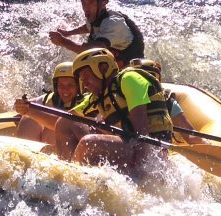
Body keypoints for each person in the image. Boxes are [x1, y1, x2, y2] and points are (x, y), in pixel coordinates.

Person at [16, 47, 171, 179]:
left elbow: (141, 133)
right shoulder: (97, 97)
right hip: (128, 146)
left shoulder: (129, 79)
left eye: (86, 77)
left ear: (103, 69)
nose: (85, 84)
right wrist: (30, 111)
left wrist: (141, 175)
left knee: (89, 143)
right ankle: (67, 173)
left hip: (151, 151)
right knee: (65, 122)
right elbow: (59, 122)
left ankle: (74, 179)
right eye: (82, 80)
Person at [49, 0, 145, 65]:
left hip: (130, 67)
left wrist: (63, 42)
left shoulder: (113, 23)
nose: (86, 7)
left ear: (104, 2)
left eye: (91, 2)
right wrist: (68, 33)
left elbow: (93, 51)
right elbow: (87, 27)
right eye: (83, 3)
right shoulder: (96, 18)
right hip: (113, 67)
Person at [15, 61, 90, 145]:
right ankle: (23, 154)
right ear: (55, 86)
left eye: (70, 85)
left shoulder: (88, 102)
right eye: (61, 85)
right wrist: (21, 106)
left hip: (69, 150)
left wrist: (29, 111)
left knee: (46, 126)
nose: (65, 89)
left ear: (79, 86)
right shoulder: (47, 99)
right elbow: (30, 104)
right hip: (46, 148)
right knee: (27, 118)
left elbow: (61, 124)